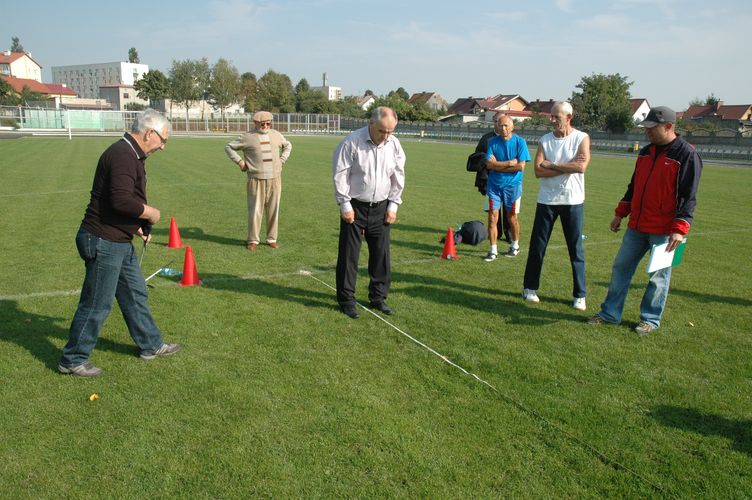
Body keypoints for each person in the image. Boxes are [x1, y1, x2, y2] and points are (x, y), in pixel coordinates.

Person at [58, 109, 180, 377]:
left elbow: (115, 201)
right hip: (103, 240)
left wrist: (135, 227)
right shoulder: (122, 154)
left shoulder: (131, 154)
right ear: (149, 133)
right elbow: (121, 201)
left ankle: (151, 344)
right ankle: (72, 359)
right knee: (97, 303)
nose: (163, 147)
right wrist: (150, 213)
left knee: (135, 293)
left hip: (118, 239)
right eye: (163, 140)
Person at [587, 106, 702, 335]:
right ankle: (610, 314)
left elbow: (688, 196)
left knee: (658, 277)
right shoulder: (645, 152)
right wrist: (620, 213)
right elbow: (634, 186)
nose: (646, 132)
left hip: (666, 230)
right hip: (637, 226)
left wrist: (680, 229)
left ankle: (650, 319)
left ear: (668, 126)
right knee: (621, 267)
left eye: (652, 127)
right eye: (646, 127)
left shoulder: (687, 155)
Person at [333, 106, 406, 319]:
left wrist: (393, 205)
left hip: (382, 207)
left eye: (390, 131)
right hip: (355, 206)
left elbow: (398, 176)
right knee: (349, 256)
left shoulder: (394, 144)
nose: (386, 136)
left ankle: (378, 298)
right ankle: (347, 300)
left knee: (381, 256)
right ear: (370, 123)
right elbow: (340, 174)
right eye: (382, 131)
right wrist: (345, 205)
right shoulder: (351, 142)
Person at [522, 101, 591, 310]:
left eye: (556, 117)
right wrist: (568, 167)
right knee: (537, 247)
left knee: (575, 249)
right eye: (551, 116)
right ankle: (529, 288)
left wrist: (552, 164)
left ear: (569, 117)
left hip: (573, 201)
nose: (552, 120)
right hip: (547, 200)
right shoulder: (545, 140)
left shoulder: (581, 137)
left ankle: (580, 295)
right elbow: (537, 171)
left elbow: (581, 166)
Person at [225, 111, 292, 250]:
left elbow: (288, 145)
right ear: (255, 123)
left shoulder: (276, 135)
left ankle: (272, 238)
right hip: (255, 180)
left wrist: (282, 159)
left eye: (268, 123)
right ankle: (253, 240)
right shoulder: (247, 137)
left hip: (275, 179)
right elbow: (229, 147)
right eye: (262, 124)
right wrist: (240, 162)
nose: (265, 126)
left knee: (273, 210)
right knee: (255, 211)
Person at [483, 114, 531, 261]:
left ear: (512, 126)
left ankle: (515, 246)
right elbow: (488, 165)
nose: (503, 128)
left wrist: (497, 165)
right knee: (492, 218)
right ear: (497, 127)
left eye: (506, 125)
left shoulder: (520, 142)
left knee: (512, 218)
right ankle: (493, 250)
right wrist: (509, 163)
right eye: (500, 125)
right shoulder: (492, 142)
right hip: (494, 186)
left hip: (512, 187)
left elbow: (520, 167)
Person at [469, 121, 510, 243]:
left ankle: (509, 234)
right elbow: (477, 155)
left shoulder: (512, 139)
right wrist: (486, 157)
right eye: (497, 122)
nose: (500, 125)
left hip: (507, 179)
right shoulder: (486, 138)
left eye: (503, 123)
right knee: (493, 209)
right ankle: (496, 233)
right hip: (489, 178)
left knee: (508, 208)